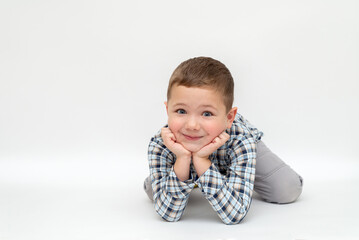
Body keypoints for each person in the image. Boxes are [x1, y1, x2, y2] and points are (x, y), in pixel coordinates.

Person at [143, 57, 303, 225]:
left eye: (206, 114)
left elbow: (235, 214)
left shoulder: (241, 139)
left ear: (229, 117)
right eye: (181, 111)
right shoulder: (161, 143)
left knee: (287, 188)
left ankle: (223, 176)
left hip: (231, 146)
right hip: (185, 155)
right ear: (168, 110)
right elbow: (168, 214)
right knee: (152, 192)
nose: (191, 125)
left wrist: (201, 161)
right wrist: (183, 159)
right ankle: (195, 176)